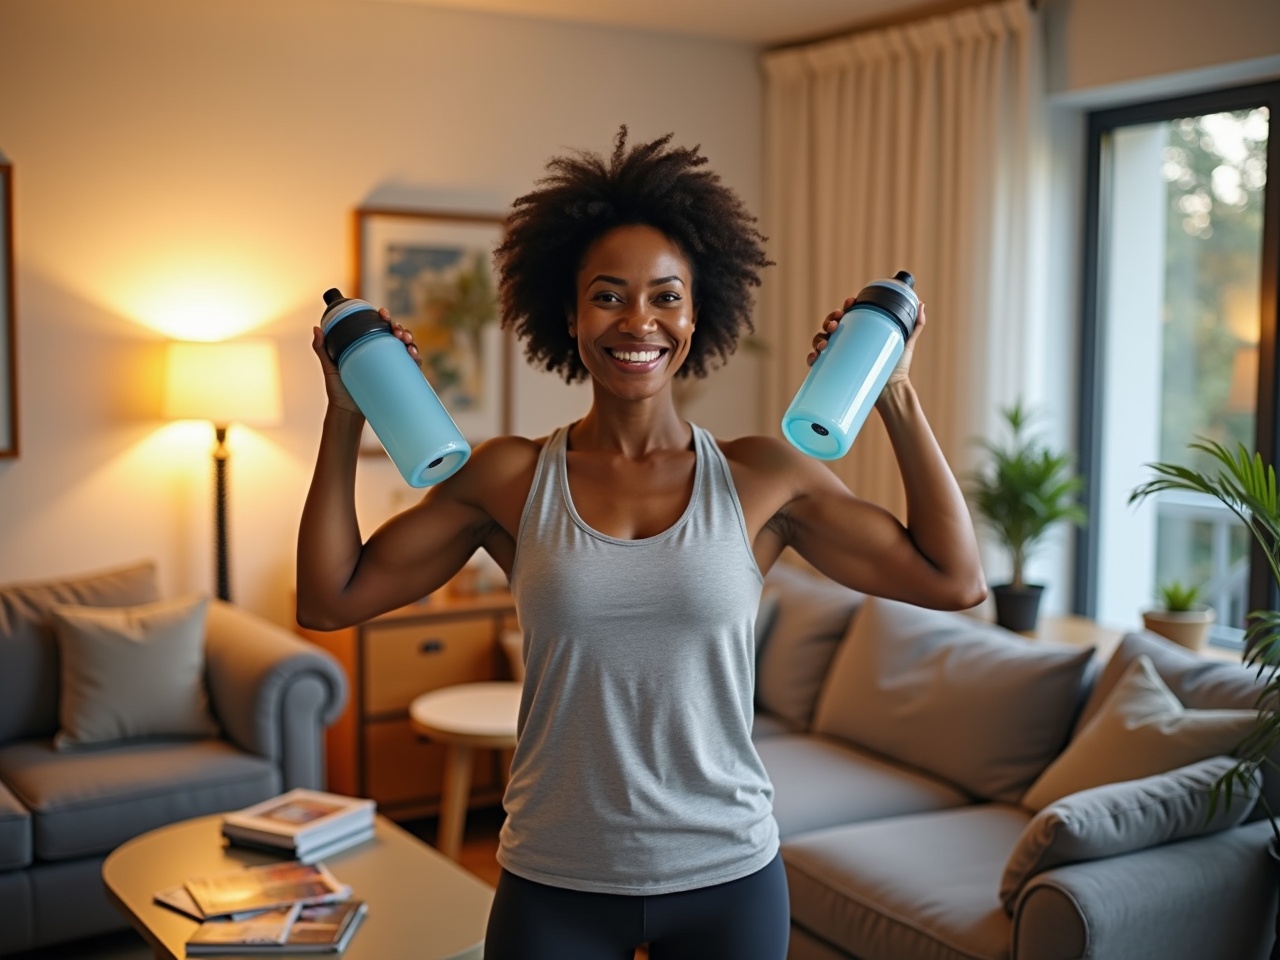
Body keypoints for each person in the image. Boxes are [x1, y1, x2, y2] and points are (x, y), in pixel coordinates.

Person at [296, 128, 987, 960]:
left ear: (698, 316)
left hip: (727, 875)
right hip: (555, 878)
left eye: (666, 297)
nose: (639, 322)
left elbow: (954, 580)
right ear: (569, 314)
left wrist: (897, 393)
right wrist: (344, 414)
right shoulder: (510, 478)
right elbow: (328, 599)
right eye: (609, 295)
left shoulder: (764, 477)